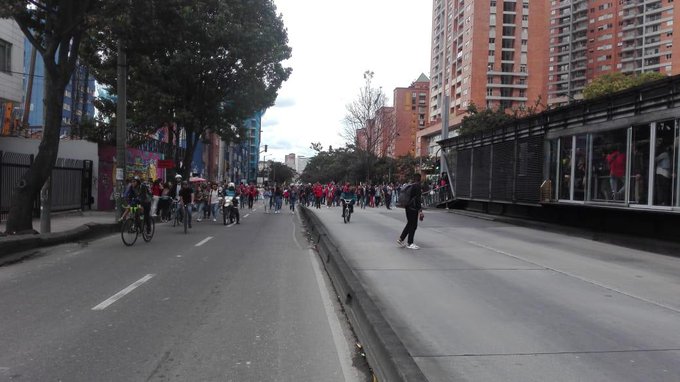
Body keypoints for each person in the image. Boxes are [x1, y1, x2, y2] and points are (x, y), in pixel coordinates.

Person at [397, 174, 424, 250]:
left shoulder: (411, 186)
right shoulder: (417, 187)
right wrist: (420, 211)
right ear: (420, 179)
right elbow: (418, 200)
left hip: (408, 207)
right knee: (413, 225)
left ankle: (401, 239)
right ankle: (410, 243)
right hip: (413, 208)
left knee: (409, 224)